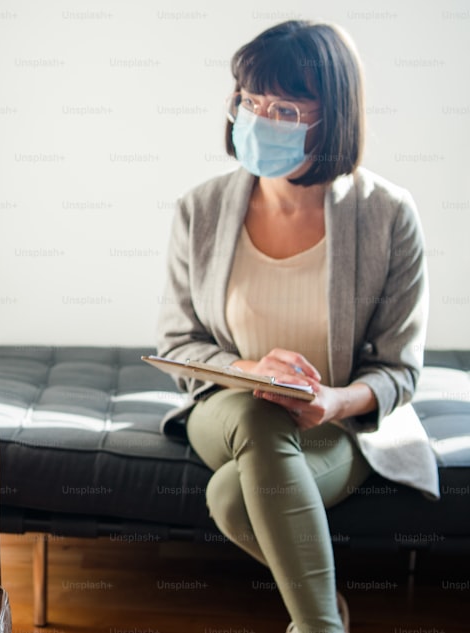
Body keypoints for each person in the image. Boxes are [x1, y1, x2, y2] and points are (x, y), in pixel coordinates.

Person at [156, 20, 437, 633]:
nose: (259, 117)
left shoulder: (387, 216)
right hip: (227, 405)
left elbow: (399, 368)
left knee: (232, 499)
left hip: (335, 423)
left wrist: (334, 401)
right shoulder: (199, 210)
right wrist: (250, 371)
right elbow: (178, 344)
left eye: (284, 106)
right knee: (258, 413)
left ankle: (321, 611)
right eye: (250, 101)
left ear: (331, 116)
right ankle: (321, 627)